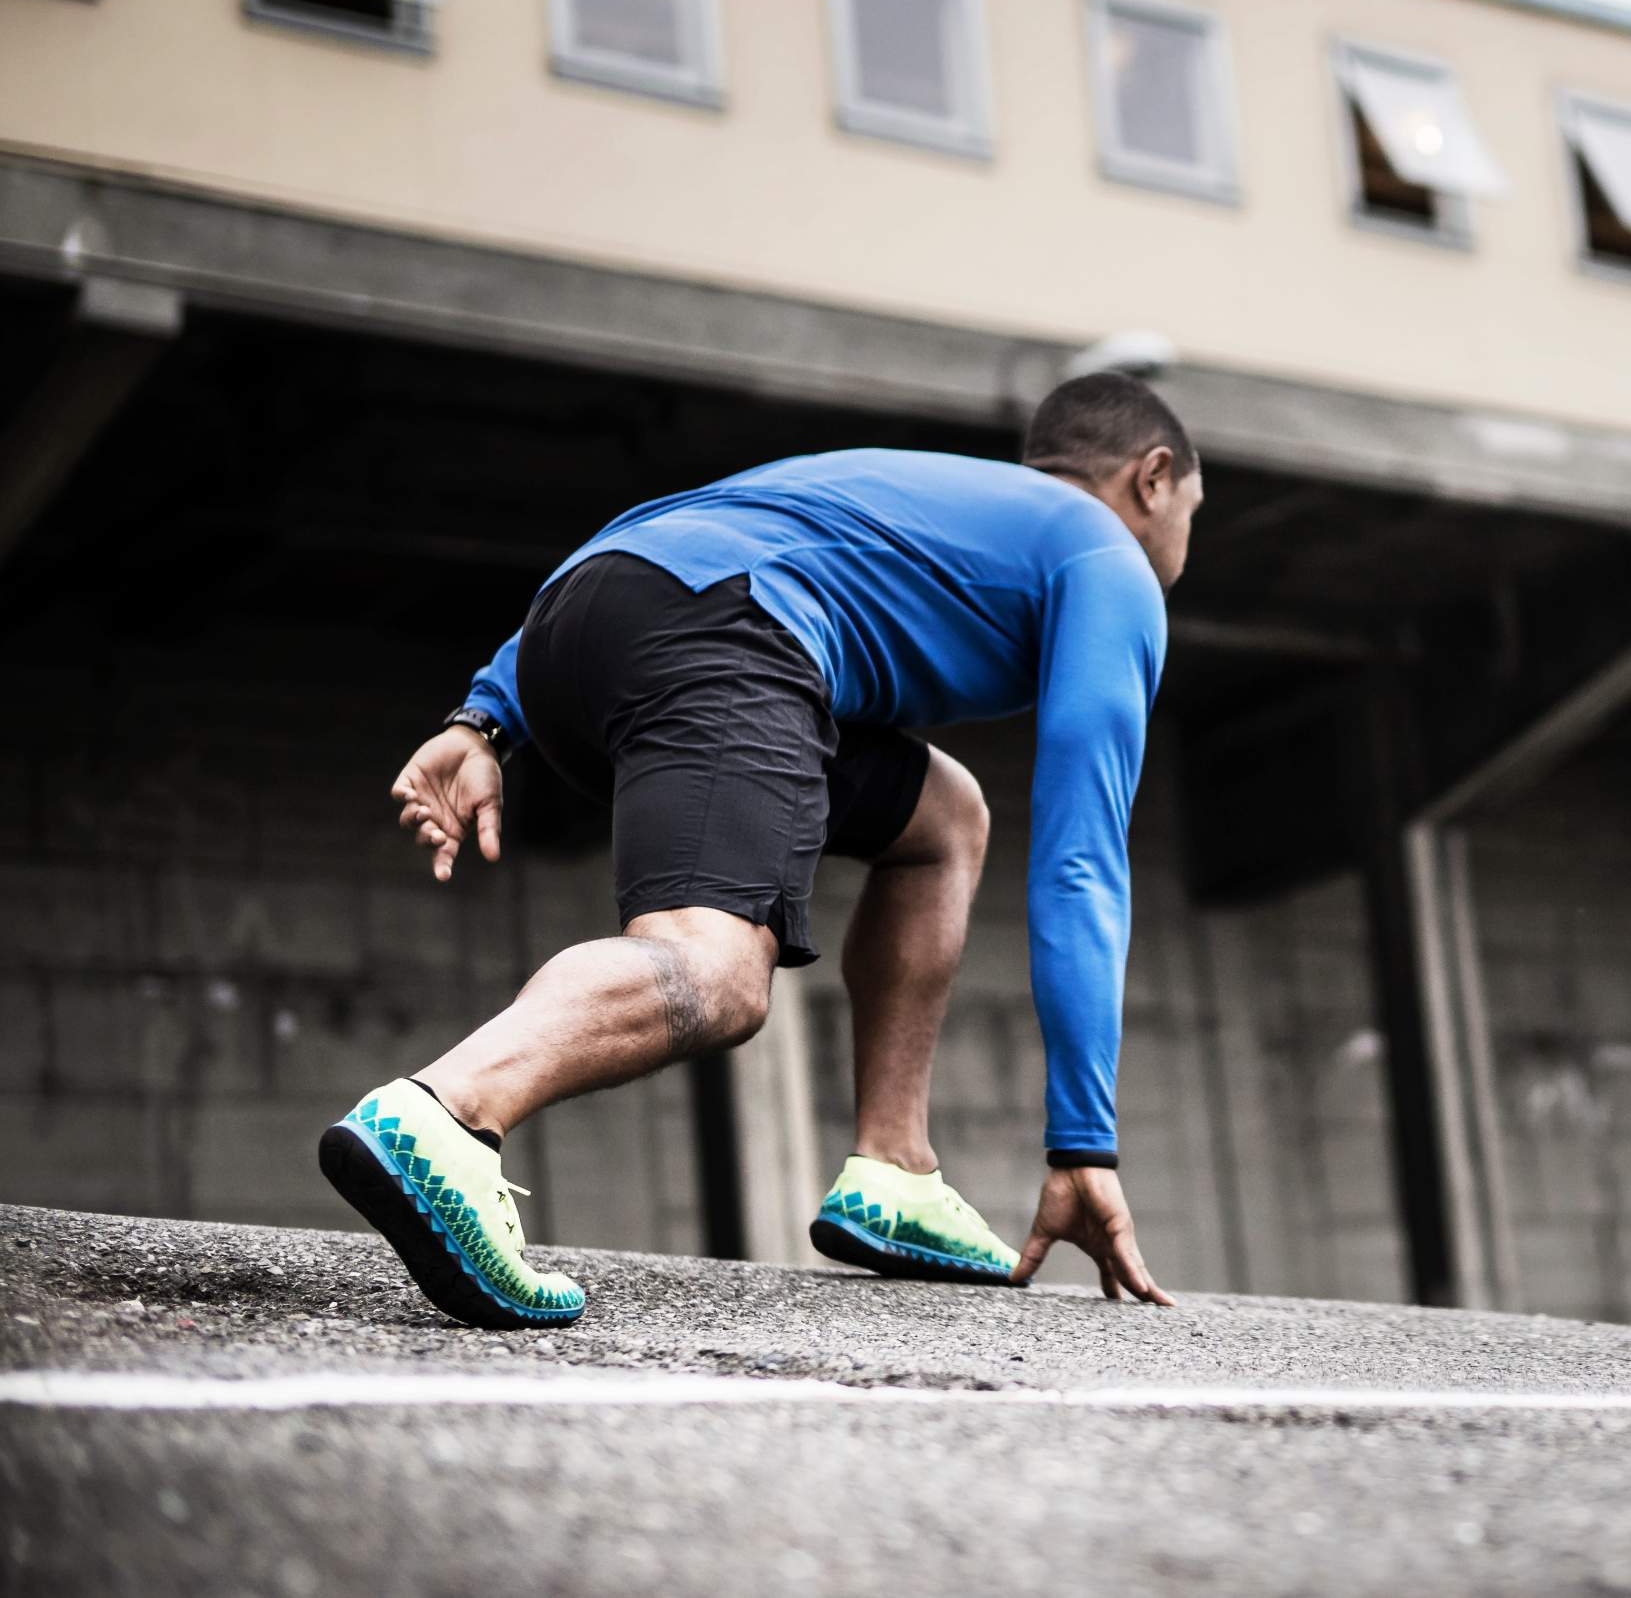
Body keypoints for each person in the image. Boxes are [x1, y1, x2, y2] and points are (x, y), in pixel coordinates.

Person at [318, 373, 1201, 1330]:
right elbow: (1080, 866)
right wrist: (1083, 1148)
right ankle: (449, 1109)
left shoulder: (946, 496)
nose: (1183, 542)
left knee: (944, 819)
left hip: (574, 621)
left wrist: (484, 719)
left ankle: (895, 1169)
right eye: (1194, 510)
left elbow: (674, 542)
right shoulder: (1108, 558)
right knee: (719, 973)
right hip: (728, 632)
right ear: (1152, 479)